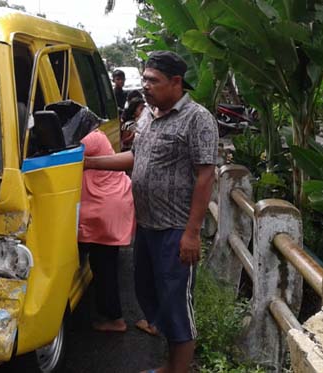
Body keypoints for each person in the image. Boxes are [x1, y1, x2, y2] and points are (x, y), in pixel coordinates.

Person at [85, 51, 217, 373]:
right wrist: (87, 163)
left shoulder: (197, 119)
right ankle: (168, 365)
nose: (145, 86)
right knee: (150, 295)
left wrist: (192, 233)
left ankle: (178, 370)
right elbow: (135, 158)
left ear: (176, 83)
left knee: (176, 306)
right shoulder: (149, 115)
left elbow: (205, 175)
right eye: (144, 79)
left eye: (153, 81)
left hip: (176, 229)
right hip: (146, 226)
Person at [78, 128, 135, 333]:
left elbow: (69, 156)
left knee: (104, 267)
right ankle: (112, 315)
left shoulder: (91, 138)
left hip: (106, 208)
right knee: (103, 264)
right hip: (109, 206)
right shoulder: (98, 135)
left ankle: (115, 320)